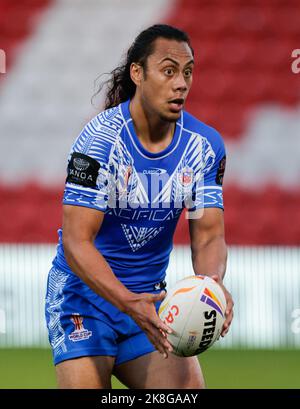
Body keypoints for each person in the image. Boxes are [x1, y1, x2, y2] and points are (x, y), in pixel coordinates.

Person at [45, 24, 233, 389]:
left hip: (149, 306)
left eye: (188, 72)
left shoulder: (204, 147)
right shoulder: (99, 142)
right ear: (137, 73)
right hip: (84, 301)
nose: (181, 83)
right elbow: (76, 241)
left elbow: (208, 236)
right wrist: (128, 301)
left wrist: (212, 285)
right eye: (168, 70)